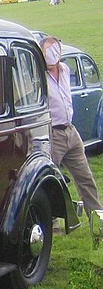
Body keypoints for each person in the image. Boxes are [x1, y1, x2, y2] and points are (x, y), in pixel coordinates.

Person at [40, 35, 102, 220]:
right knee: (46, 179)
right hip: (53, 134)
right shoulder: (39, 76)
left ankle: (97, 217)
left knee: (85, 178)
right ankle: (50, 223)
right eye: (47, 52)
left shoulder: (65, 69)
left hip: (70, 130)